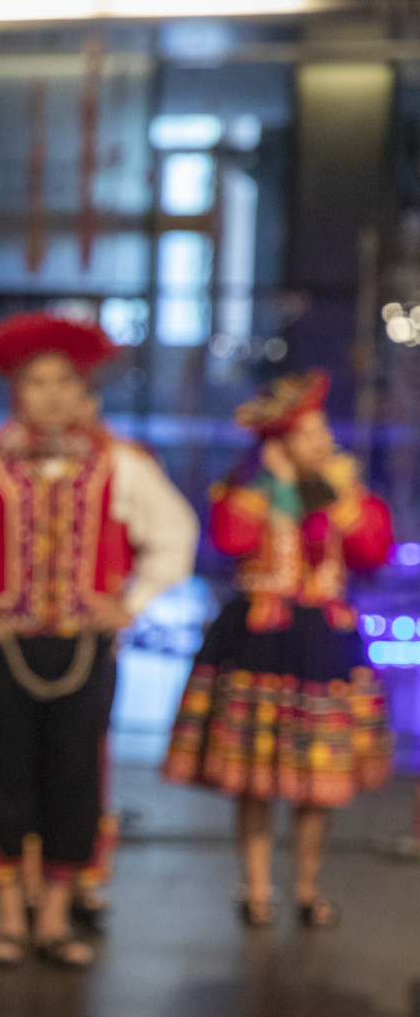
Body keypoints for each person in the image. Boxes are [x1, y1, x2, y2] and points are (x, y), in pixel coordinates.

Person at [0, 312, 197, 968]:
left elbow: (174, 532)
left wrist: (132, 601)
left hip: (84, 650)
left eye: (65, 381)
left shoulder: (119, 465)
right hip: (3, 650)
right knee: (2, 776)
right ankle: (9, 917)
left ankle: (56, 918)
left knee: (75, 778)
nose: (53, 395)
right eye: (37, 382)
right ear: (16, 392)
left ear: (83, 389)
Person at [163, 370, 393, 928]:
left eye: (323, 431)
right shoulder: (247, 492)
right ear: (280, 442)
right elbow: (230, 540)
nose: (324, 441)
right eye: (310, 433)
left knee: (318, 780)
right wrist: (271, 488)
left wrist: (337, 497)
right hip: (260, 643)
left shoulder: (342, 492)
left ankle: (309, 887)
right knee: (255, 776)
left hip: (322, 644)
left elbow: (372, 549)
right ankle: (257, 886)